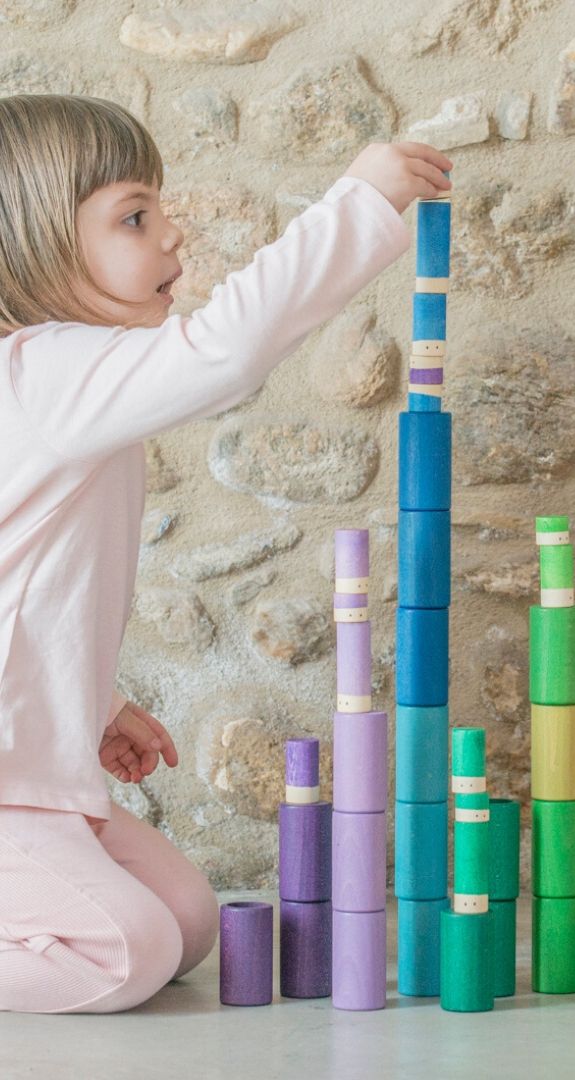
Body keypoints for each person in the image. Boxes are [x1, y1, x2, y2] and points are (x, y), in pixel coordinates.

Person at [0, 93, 451, 1014]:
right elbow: (224, 351)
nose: (171, 237)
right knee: (125, 955)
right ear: (39, 240)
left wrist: (99, 701)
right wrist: (359, 203)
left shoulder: (75, 383)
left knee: (187, 922)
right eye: (134, 217)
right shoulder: (42, 372)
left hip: (38, 776)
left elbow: (32, 586)